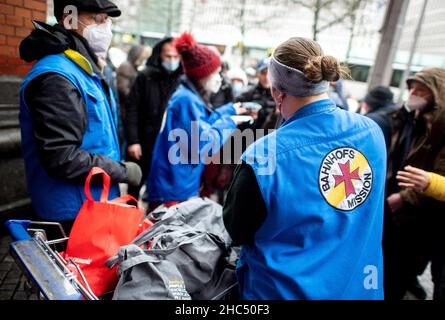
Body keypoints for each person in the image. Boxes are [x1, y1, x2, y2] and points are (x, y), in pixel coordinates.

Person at [223, 37, 386, 300]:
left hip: (281, 291)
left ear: (277, 91)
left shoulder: (264, 156)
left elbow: (237, 229)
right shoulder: (372, 133)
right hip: (356, 288)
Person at [18, 0, 142, 232]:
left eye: (108, 21)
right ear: (69, 19)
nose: (106, 28)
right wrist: (122, 171)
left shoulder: (82, 68)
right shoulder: (57, 76)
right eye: (98, 20)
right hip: (70, 213)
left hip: (91, 205)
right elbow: (62, 156)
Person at [147, 33, 247, 210]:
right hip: (174, 187)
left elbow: (202, 125)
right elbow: (203, 144)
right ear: (203, 75)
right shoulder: (187, 101)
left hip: (177, 182)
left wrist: (230, 111)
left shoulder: (190, 97)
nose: (219, 77)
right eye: (216, 73)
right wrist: (230, 122)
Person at [384, 68, 445, 300]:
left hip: (424, 212)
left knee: (403, 268)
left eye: (421, 90)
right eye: (412, 88)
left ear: (436, 92)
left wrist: (406, 197)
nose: (413, 94)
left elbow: (437, 172)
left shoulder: (439, 122)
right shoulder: (413, 117)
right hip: (405, 204)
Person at [125, 37, 182, 201]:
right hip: (143, 143)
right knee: (133, 191)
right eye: (168, 56)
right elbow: (132, 108)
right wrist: (133, 141)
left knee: (160, 194)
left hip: (168, 147)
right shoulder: (145, 76)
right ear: (159, 55)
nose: (172, 61)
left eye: (175, 57)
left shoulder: (181, 81)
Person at [236, 58, 276, 129]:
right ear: (257, 74)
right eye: (263, 73)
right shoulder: (246, 94)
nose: (266, 77)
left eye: (270, 73)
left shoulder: (280, 96)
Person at [116, 44, 151, 110]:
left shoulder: (134, 67)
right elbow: (123, 89)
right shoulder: (126, 66)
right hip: (125, 107)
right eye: (141, 57)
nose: (142, 60)